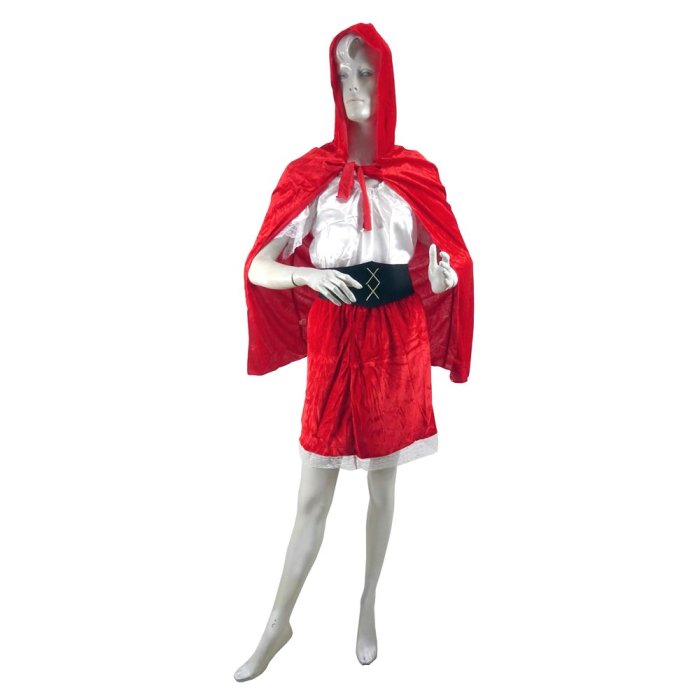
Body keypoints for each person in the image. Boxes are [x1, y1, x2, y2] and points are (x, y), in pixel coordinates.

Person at [236, 23, 474, 682]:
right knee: (314, 491)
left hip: (398, 340)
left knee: (382, 484)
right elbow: (258, 265)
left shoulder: (415, 174)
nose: (354, 86)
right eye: (344, 74)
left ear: (387, 81)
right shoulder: (309, 175)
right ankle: (277, 624)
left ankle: (367, 603)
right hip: (336, 341)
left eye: (366, 72)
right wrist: (306, 275)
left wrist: (443, 279)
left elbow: (442, 258)